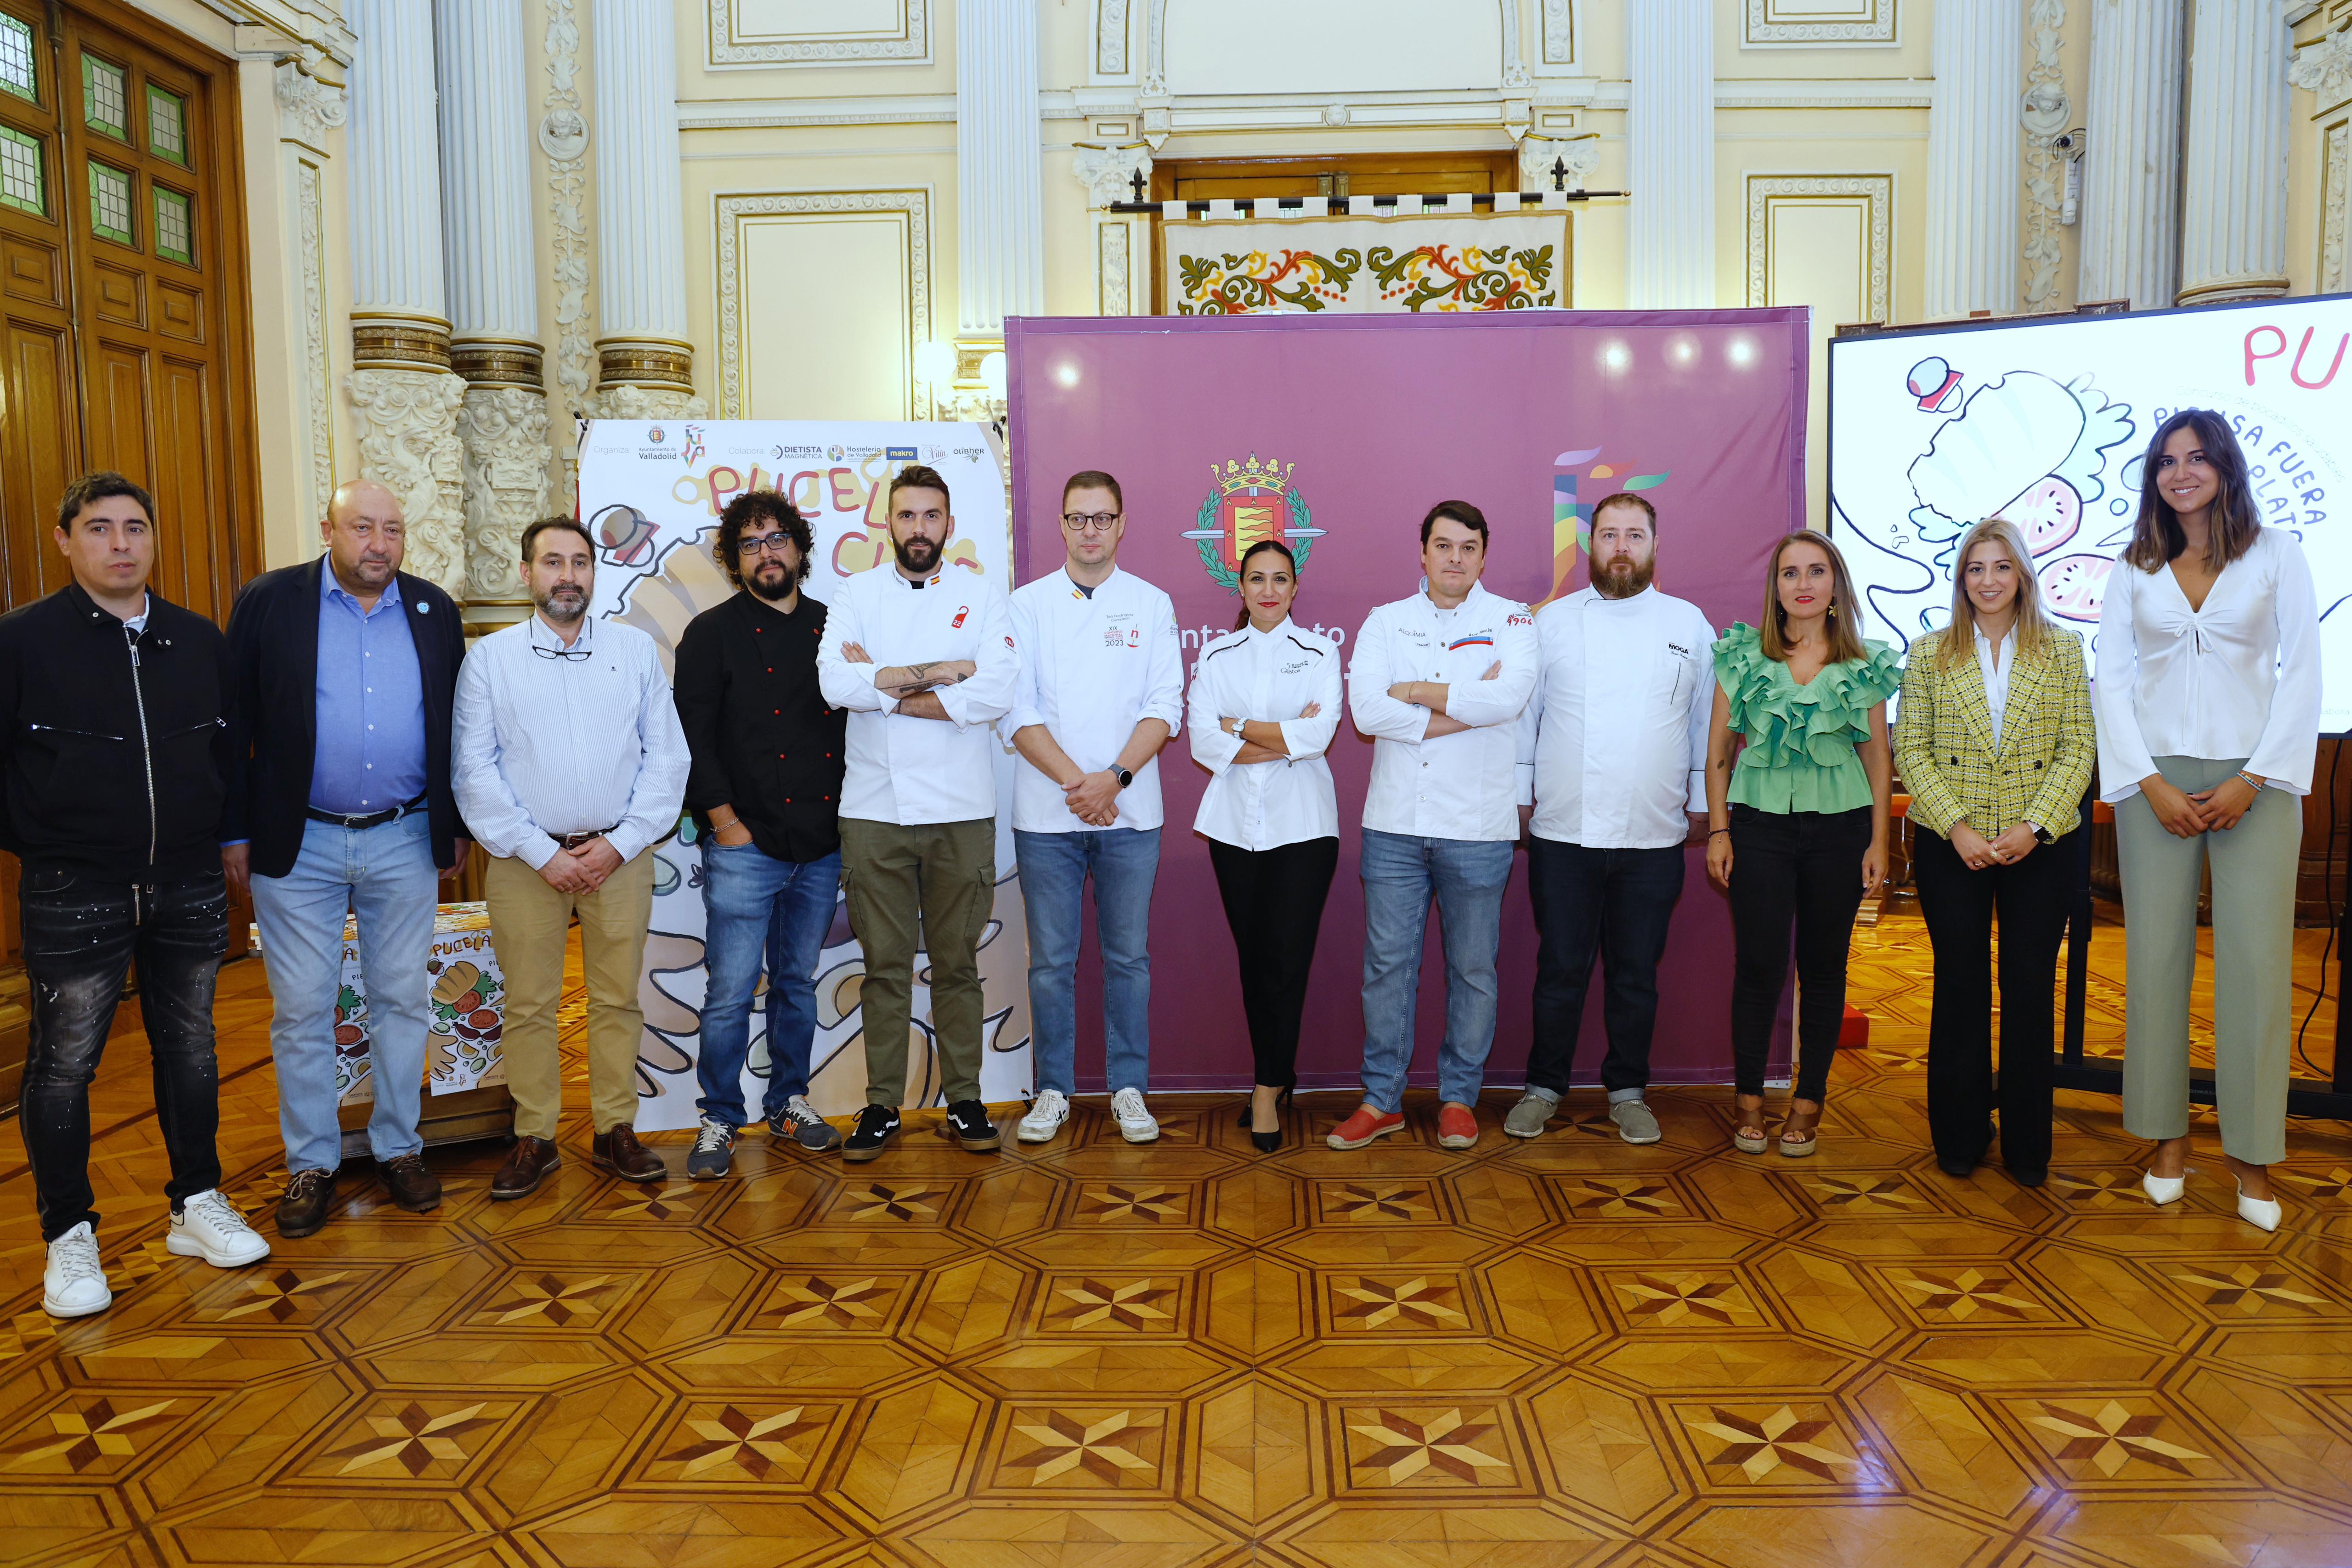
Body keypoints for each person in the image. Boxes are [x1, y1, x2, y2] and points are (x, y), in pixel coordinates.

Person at [0, 472, 268, 1317]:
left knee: (190, 1045)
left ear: (153, 539)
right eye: (99, 528)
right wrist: (46, 837)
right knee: (64, 1063)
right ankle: (68, 1234)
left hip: (187, 879)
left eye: (135, 528)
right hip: (73, 884)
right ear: (65, 540)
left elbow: (227, 756)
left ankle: (196, 1202)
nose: (120, 544)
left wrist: (221, 838)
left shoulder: (198, 640)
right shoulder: (21, 641)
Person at [223, 479, 470, 1238]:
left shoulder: (433, 609)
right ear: (328, 530)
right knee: (303, 1008)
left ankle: (399, 1147)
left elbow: (456, 728)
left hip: (404, 835)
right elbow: (232, 724)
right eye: (363, 527)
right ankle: (312, 1162)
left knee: (403, 999)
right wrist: (233, 832)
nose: (379, 544)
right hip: (299, 841)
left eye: (393, 529)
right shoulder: (269, 602)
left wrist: (454, 826)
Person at [2095, 410, 2319, 1232]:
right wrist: (2147, 782)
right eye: (2166, 461)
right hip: (2154, 783)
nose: (2180, 472)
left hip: (2258, 779)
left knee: (2257, 967)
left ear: (2224, 466)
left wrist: (2255, 776)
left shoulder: (2276, 553)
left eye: (2196, 458)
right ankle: (2167, 1141)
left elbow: (2305, 671)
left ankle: (2253, 1154)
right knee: (2155, 961)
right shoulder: (2135, 565)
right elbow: (2112, 680)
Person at [453, 516, 690, 1199]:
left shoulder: (634, 651)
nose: (568, 575)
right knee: (529, 1004)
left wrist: (619, 843)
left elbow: (667, 758)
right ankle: (536, 1136)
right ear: (526, 573)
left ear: (594, 572)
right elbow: (473, 770)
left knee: (618, 1000)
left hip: (622, 855)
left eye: (580, 562)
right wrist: (541, 852)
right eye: (552, 562)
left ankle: (615, 1127)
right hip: (525, 861)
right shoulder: (490, 660)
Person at [817, 465, 1018, 1162]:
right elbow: (834, 682)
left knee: (957, 962)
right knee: (884, 966)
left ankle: (965, 1098)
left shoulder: (981, 595)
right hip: (874, 809)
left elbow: (996, 690)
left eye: (932, 516)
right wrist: (946, 670)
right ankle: (881, 1105)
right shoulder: (857, 593)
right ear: (888, 523)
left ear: (949, 525)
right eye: (907, 516)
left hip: (962, 810)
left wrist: (887, 681)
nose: (920, 528)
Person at [1506, 493, 1715, 1145]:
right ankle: (1543, 1087)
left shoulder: (1689, 623)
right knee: (1560, 970)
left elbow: (1706, 721)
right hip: (1563, 832)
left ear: (1655, 545)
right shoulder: (1552, 622)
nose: (1621, 547)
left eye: (1635, 535)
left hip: (1653, 835)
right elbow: (1525, 717)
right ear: (1589, 544)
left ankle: (1628, 1091)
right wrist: (1519, 794)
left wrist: (1703, 802)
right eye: (1609, 535)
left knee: (1635, 975)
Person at [1892, 518, 2094, 1188]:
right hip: (1954, 844)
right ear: (1961, 580)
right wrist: (1957, 828)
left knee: (2030, 989)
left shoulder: (2063, 650)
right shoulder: (1929, 652)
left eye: (2001, 567)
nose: (1988, 580)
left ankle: (2028, 1146)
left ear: (2023, 575)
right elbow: (1911, 747)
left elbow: (2079, 748)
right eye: (1975, 568)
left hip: (2040, 845)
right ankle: (1961, 1134)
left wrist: (2034, 826)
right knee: (1960, 985)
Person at [1333, 501, 1537, 1152]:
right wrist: (1465, 704)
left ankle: (1458, 1098)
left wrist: (1415, 690)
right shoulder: (1385, 620)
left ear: (1483, 556)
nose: (1455, 558)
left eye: (1468, 547)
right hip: (1395, 825)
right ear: (1423, 552)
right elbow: (1367, 713)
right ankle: (1381, 1100)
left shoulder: (1512, 618)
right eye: (1443, 545)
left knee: (1473, 969)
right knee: (1387, 968)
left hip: (1478, 826)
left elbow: (1509, 698)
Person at [1706, 528, 1899, 1159]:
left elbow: (1878, 761)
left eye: (1817, 571)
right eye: (1791, 573)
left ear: (1836, 584)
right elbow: (1718, 753)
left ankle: (1810, 1099)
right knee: (1759, 967)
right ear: (1776, 588)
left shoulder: (1864, 664)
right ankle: (1748, 1098)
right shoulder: (1742, 658)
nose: (1804, 584)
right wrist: (1719, 830)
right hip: (1758, 828)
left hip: (1841, 832)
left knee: (1823, 968)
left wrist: (1880, 843)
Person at [673, 491, 849, 1178]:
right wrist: (725, 824)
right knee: (730, 990)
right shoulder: (710, 633)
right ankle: (719, 1115)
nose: (766, 553)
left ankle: (788, 1101)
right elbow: (692, 739)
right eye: (750, 544)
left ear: (799, 548)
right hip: (743, 844)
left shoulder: (833, 626)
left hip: (820, 843)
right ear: (734, 559)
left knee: (797, 983)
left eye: (777, 539)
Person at [1008, 471, 1182, 1146]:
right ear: (1061, 524)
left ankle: (1128, 1087)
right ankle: (1053, 1089)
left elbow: (1164, 706)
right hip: (1046, 817)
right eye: (1078, 518)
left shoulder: (1151, 603)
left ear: (1121, 524)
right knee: (1051, 962)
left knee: (1128, 959)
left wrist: (1113, 779)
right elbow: (1017, 711)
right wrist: (1079, 785)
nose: (1090, 530)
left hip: (1129, 816)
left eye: (1102, 518)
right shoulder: (1026, 606)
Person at [1188, 539, 1343, 1153]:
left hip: (1304, 828)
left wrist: (1238, 728)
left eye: (1281, 579)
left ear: (1296, 587)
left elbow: (1319, 734)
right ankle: (1276, 1074)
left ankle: (1265, 1087)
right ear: (1242, 587)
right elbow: (1203, 740)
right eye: (1257, 578)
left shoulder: (1321, 651)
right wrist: (1282, 735)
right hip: (1232, 829)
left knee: (1287, 959)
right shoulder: (1216, 654)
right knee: (1255, 960)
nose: (1269, 590)